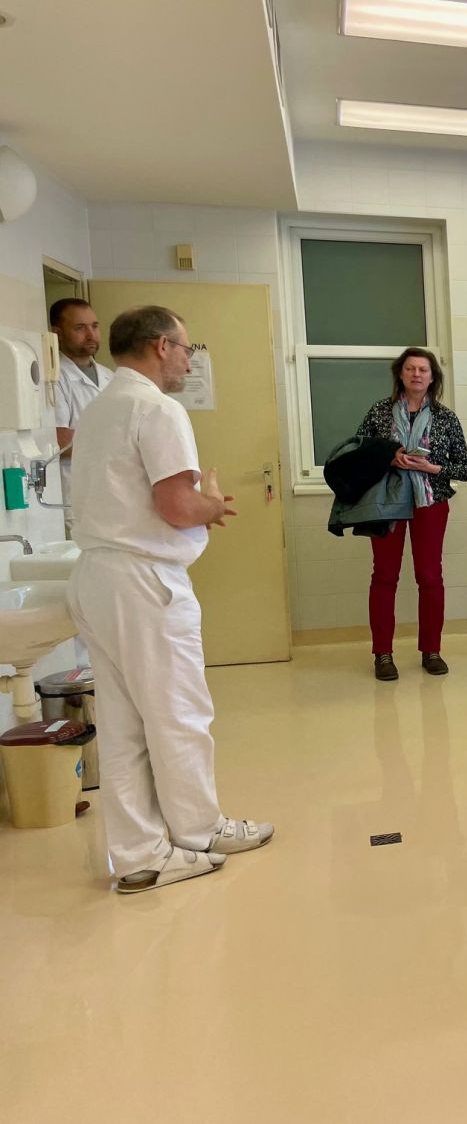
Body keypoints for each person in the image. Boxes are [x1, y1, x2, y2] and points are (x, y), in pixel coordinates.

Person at [66, 304, 272, 894]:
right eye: (186, 348)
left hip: (97, 576)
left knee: (123, 725)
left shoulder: (100, 405)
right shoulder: (157, 408)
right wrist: (211, 505)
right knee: (179, 714)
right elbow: (177, 506)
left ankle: (141, 857)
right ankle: (201, 831)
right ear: (161, 345)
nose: (188, 360)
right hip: (143, 583)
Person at [356, 347, 467, 681]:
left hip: (431, 502)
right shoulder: (379, 411)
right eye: (410, 369)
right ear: (400, 373)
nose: (417, 374)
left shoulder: (446, 417)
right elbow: (358, 452)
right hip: (386, 501)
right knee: (384, 575)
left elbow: (465, 469)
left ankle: (431, 650)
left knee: (430, 576)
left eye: (423, 369)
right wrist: (388, 458)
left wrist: (431, 467)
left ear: (432, 377)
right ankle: (382, 654)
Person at [49, 298, 114, 528]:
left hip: (110, 494)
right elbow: (59, 439)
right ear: (57, 333)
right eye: (80, 328)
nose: (91, 335)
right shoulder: (55, 378)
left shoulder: (109, 376)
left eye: (94, 326)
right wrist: (117, 442)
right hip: (75, 497)